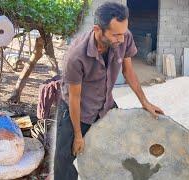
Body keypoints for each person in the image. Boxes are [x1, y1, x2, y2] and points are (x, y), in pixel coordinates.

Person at [53, 2, 164, 180]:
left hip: (105, 105)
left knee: (116, 149)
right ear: (98, 29)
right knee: (65, 164)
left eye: (124, 32)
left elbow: (128, 72)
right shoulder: (76, 57)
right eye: (116, 34)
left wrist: (145, 102)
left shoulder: (124, 37)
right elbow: (75, 98)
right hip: (77, 111)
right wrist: (78, 135)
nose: (122, 38)